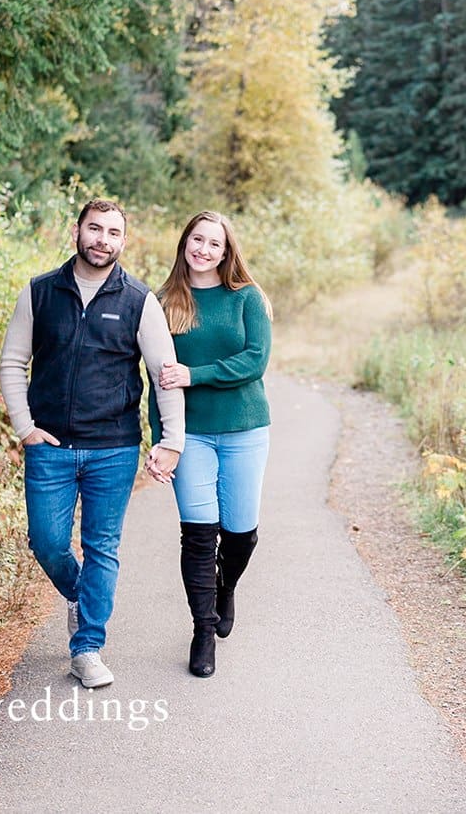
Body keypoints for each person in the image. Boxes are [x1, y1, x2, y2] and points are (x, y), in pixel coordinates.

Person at [0, 198, 184, 689]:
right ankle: (82, 598)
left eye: (114, 232)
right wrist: (25, 428)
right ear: (77, 231)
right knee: (48, 542)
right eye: (95, 229)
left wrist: (173, 440)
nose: (103, 239)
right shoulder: (39, 293)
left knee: (102, 546)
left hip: (113, 448)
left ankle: (87, 648)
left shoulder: (139, 302)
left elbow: (165, 377)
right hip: (50, 446)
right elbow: (13, 363)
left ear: (124, 241)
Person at [154, 210, 273, 678]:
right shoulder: (164, 302)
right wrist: (164, 441)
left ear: (227, 252)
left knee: (241, 534)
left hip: (245, 429)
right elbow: (158, 379)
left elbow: (255, 360)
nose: (203, 249)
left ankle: (226, 590)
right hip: (192, 435)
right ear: (185, 243)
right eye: (197, 240)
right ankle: (203, 631)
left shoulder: (247, 297)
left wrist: (195, 374)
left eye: (214, 244)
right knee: (199, 535)